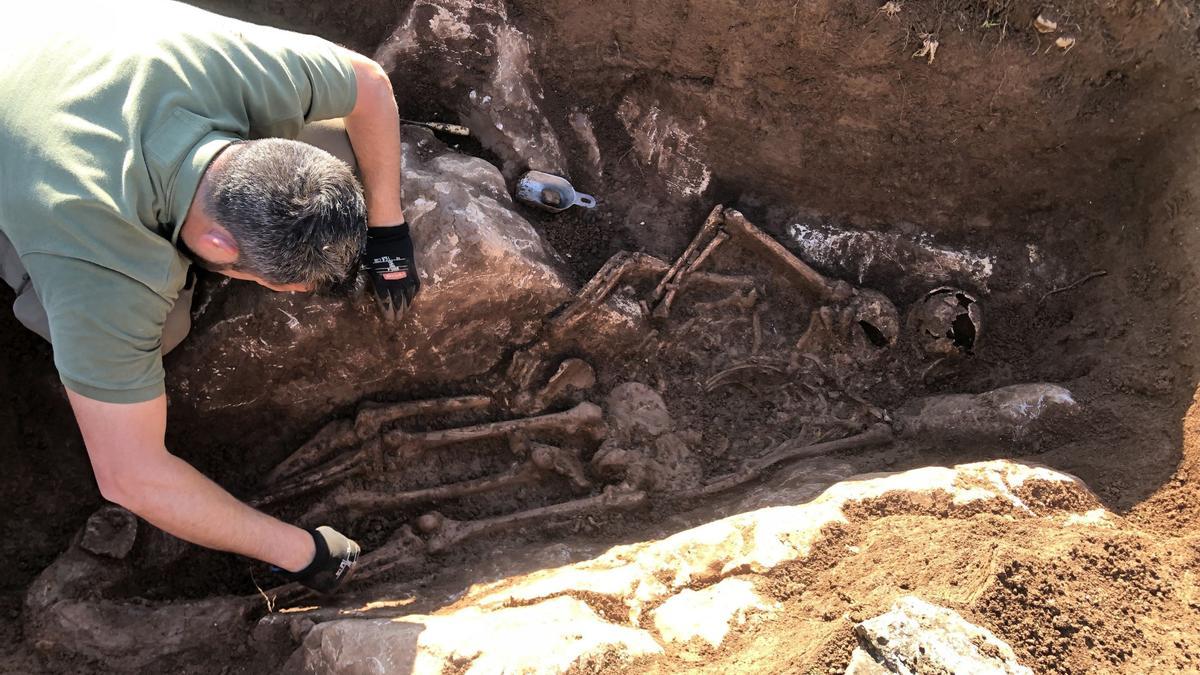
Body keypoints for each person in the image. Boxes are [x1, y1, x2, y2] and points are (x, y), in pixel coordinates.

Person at [0, 1, 422, 592]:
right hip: (32, 151)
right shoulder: (107, 271)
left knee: (349, 146)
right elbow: (130, 477)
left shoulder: (231, 71)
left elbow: (368, 83)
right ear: (220, 245)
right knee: (164, 327)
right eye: (277, 283)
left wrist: (387, 224)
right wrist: (306, 552)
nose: (296, 294)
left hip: (46, 35)